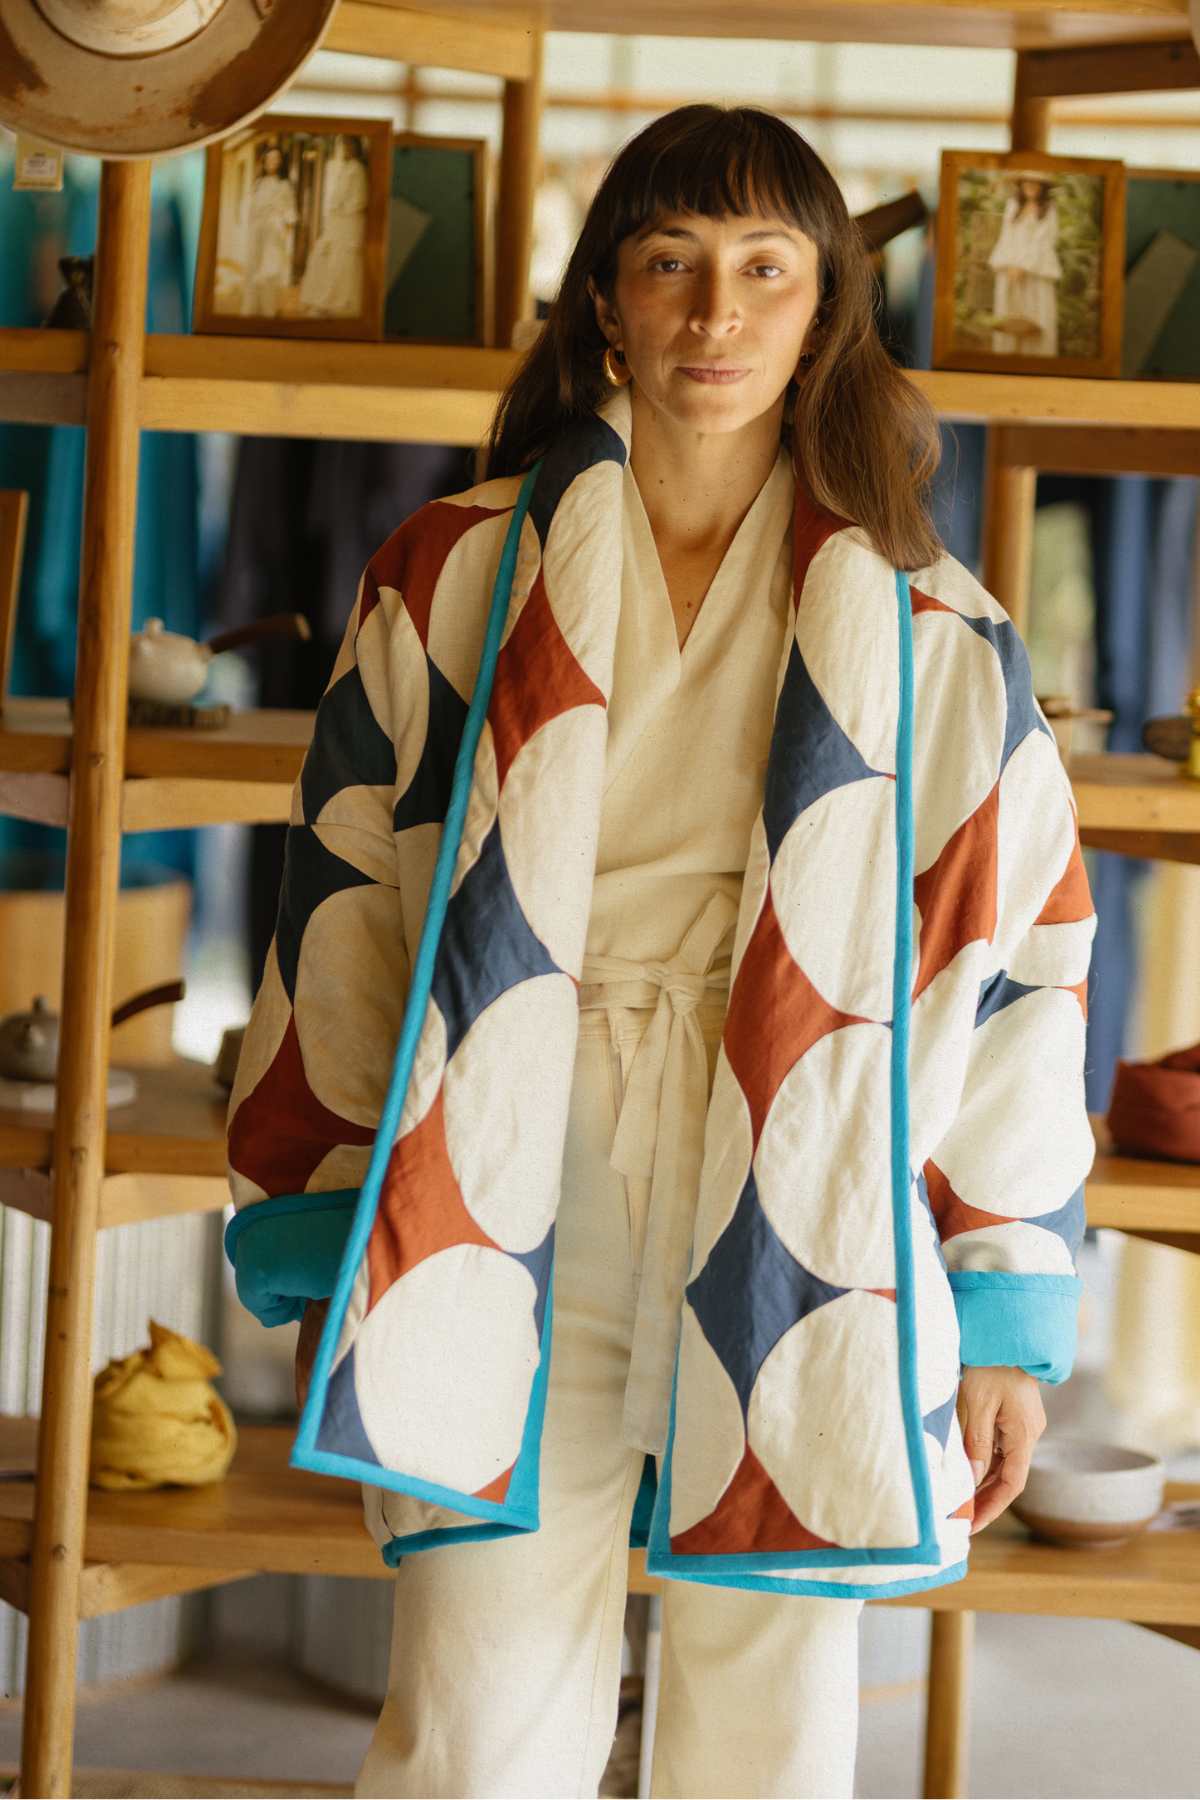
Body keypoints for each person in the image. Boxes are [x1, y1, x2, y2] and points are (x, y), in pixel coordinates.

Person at [224, 105, 1097, 1798]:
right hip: (508, 1149)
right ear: (605, 306)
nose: (715, 315)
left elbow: (1026, 977)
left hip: (813, 1164)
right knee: (478, 1706)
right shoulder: (453, 570)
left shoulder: (938, 629)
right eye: (670, 264)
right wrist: (328, 1205)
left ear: (826, 308)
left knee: (769, 1712)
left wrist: (1001, 1306)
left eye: (765, 270)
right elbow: (342, 903)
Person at [987, 174, 1062, 356]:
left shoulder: (1049, 210)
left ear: (1042, 186)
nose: (1031, 186)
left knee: (1037, 314)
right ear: (1021, 184)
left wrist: (1024, 265)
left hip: (1037, 270)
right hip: (1010, 268)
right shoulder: (1013, 206)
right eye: (1027, 182)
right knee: (1009, 315)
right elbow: (1007, 236)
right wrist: (1010, 264)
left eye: (1036, 182)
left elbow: (1045, 241)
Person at [298, 134, 370, 318]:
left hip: (349, 222)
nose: (345, 150)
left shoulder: (357, 169)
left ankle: (339, 302)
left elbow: (360, 199)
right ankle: (322, 299)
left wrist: (342, 209)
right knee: (326, 258)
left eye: (349, 146)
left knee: (343, 261)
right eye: (343, 146)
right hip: (337, 222)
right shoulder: (344, 168)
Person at [240, 140, 297, 317]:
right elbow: (249, 208)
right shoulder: (258, 184)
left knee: (269, 273)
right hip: (256, 232)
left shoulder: (284, 185)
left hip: (273, 233)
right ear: (264, 161)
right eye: (269, 158)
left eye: (276, 159)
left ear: (281, 162)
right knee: (253, 270)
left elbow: (291, 212)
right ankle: (250, 309)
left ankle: (268, 311)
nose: (273, 162)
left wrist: (284, 225)